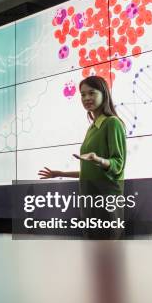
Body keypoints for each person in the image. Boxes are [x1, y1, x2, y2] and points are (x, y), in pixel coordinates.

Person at [38, 76, 127, 238]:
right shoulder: (92, 128)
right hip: (88, 201)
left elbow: (118, 164)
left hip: (105, 203)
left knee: (108, 256)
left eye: (91, 93)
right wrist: (60, 174)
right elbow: (91, 171)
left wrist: (99, 159)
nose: (86, 98)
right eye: (82, 94)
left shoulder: (112, 123)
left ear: (104, 94)